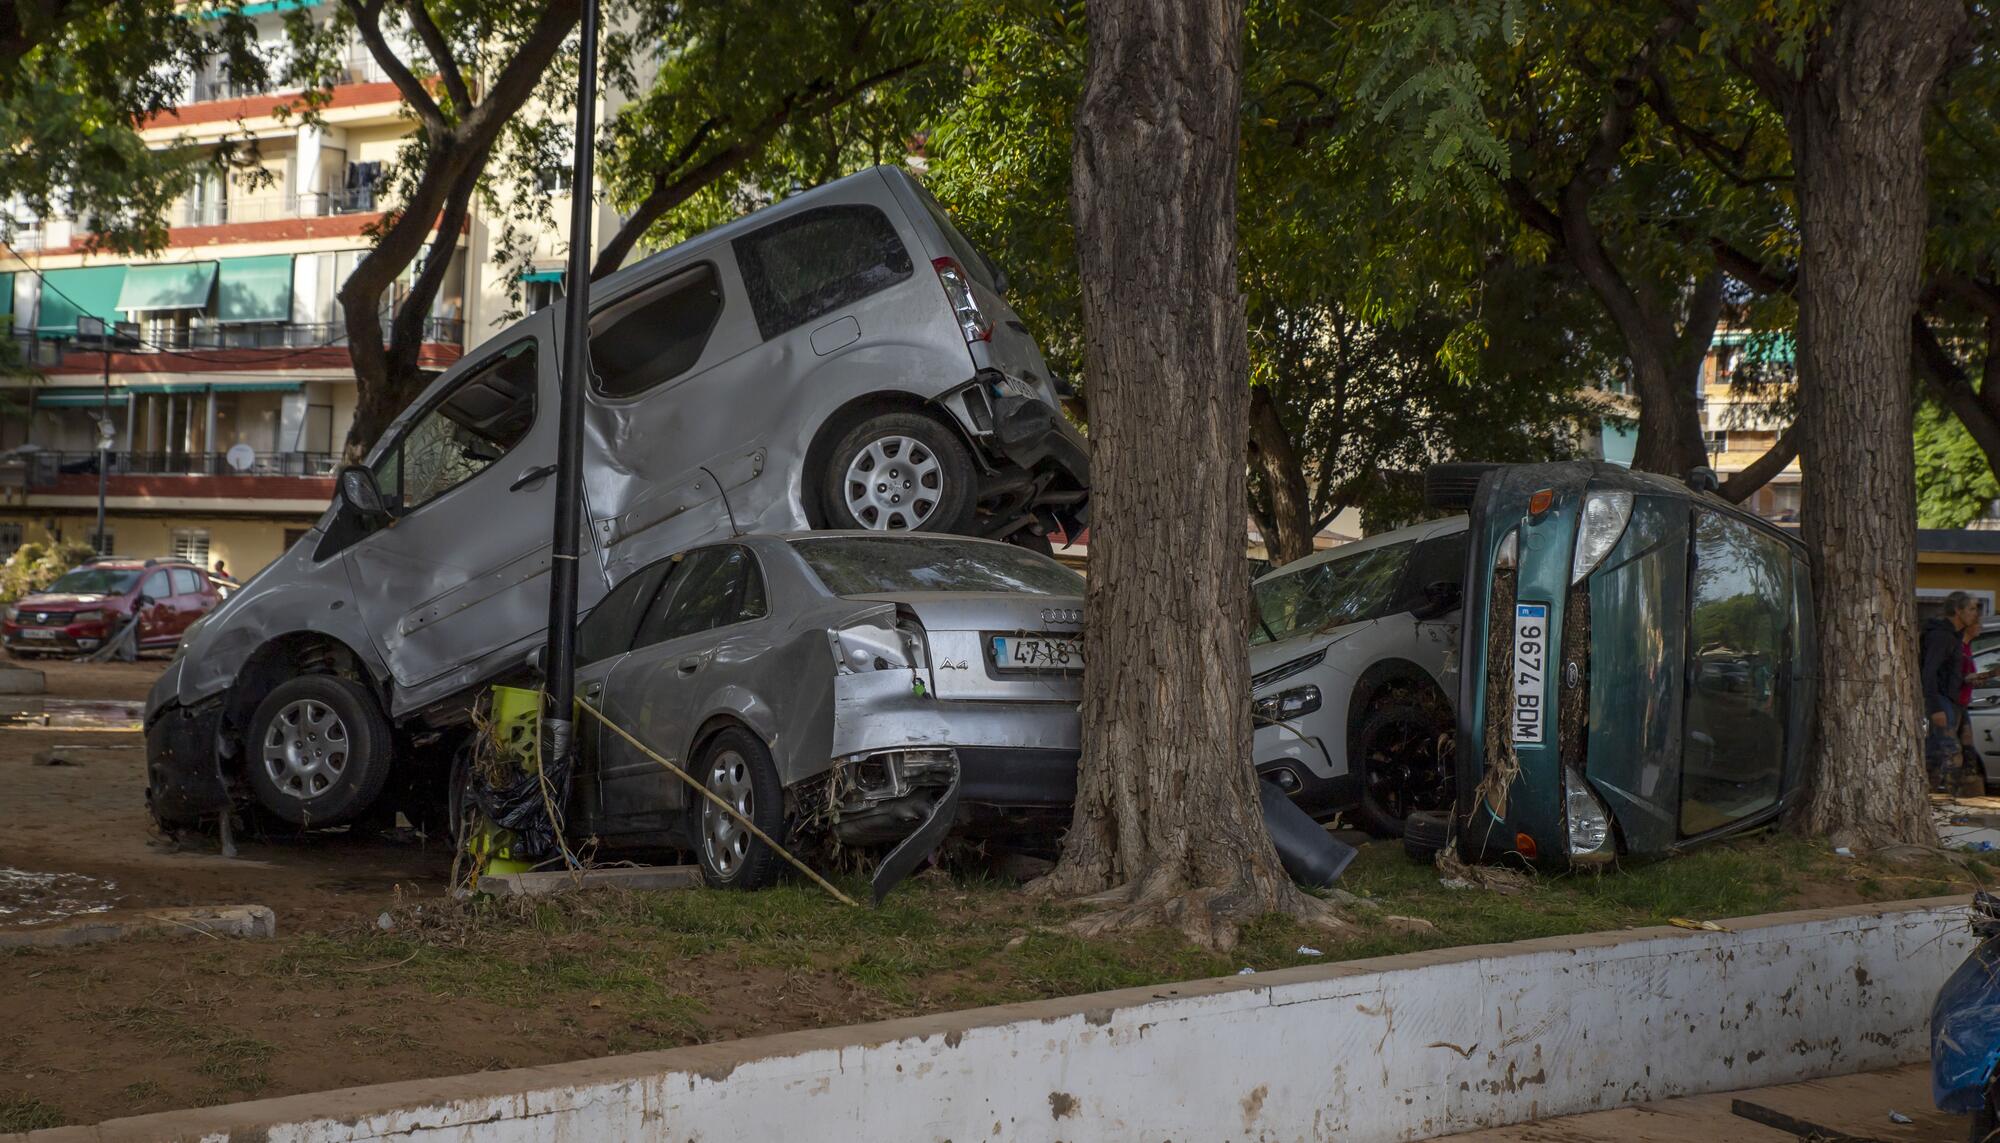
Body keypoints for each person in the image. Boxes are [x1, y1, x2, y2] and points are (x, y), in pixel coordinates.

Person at [1922, 591, 1982, 794]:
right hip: (1940, 700)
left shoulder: (1955, 637)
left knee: (1935, 752)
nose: (1976, 614)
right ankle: (1949, 798)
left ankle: (1931, 794)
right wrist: (1935, 707)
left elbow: (1951, 672)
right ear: (1958, 610)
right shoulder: (1941, 636)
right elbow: (1929, 672)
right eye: (1972, 609)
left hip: (1952, 700)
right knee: (1951, 750)